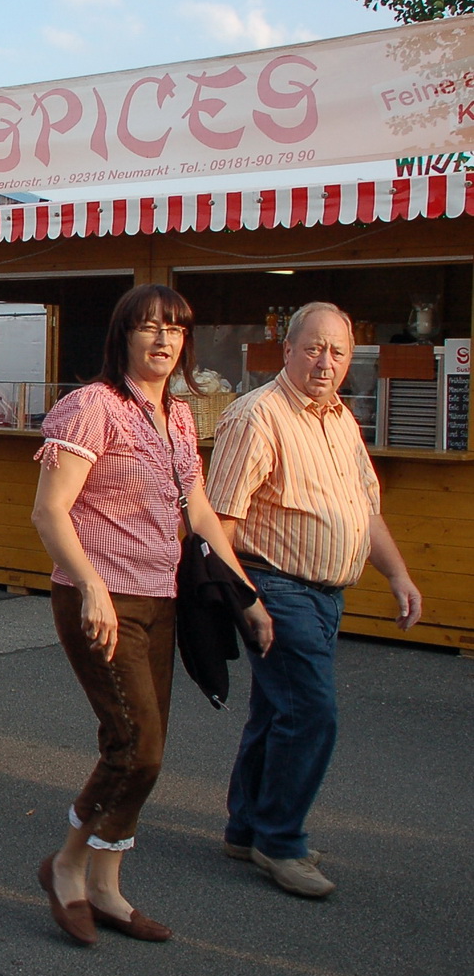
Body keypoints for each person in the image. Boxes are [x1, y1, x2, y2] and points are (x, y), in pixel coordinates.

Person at [30, 284, 269, 945]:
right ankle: (69, 865)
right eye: (148, 327)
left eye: (175, 329)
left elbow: (198, 513)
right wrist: (92, 585)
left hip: (162, 600)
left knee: (143, 749)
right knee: (137, 744)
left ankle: (106, 883)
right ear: (122, 336)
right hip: (98, 599)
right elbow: (49, 512)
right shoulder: (91, 407)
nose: (163, 340)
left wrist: (246, 592)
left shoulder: (181, 416)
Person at [206, 302, 421, 900]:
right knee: (312, 713)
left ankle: (247, 828)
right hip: (276, 585)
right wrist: (244, 599)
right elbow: (217, 523)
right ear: (288, 349)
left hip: (326, 594)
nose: (326, 362)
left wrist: (398, 575)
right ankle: (281, 843)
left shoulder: (340, 420)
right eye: (314, 348)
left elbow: (366, 511)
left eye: (339, 351)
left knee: (279, 711)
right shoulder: (257, 416)